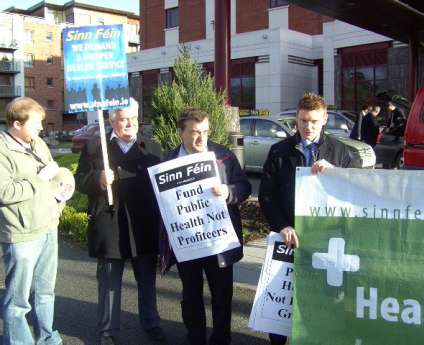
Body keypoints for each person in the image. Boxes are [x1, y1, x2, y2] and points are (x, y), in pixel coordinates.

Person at [258, 92, 355, 345]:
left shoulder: (341, 151)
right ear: (296, 120)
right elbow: (267, 196)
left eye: (313, 121)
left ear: (324, 119)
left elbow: (354, 194)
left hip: (326, 238)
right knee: (282, 297)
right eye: (303, 121)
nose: (308, 127)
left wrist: (337, 174)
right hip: (289, 237)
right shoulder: (279, 151)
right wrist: (282, 226)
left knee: (322, 300)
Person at [75, 98, 165, 345]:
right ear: (112, 120)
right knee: (109, 283)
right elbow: (79, 181)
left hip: (143, 226)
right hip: (110, 224)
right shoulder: (96, 148)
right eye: (124, 118)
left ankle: (151, 323)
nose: (130, 123)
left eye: (134, 118)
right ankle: (107, 331)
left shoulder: (153, 148)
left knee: (147, 280)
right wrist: (98, 178)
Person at [161, 109, 251, 345]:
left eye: (205, 132)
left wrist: (229, 192)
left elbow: (244, 186)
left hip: (218, 241)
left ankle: (221, 339)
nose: (201, 139)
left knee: (222, 295)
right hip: (187, 241)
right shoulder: (167, 162)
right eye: (194, 133)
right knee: (191, 295)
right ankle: (195, 337)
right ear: (181, 132)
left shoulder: (223, 156)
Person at [0, 97, 63, 345]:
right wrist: (39, 179)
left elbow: (51, 178)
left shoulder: (37, 143)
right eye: (36, 123)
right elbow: (4, 193)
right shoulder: (2, 151)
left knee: (45, 292)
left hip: (48, 226)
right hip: (22, 234)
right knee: (18, 299)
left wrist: (60, 196)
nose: (41, 128)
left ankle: (47, 338)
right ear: (17, 124)